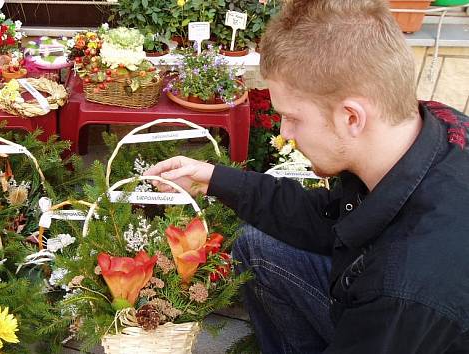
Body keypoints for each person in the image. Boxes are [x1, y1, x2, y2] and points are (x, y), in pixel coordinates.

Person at [144, 0, 469, 353]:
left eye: (293, 117)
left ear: (351, 117)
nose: (286, 132)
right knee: (257, 245)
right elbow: (327, 216)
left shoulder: (405, 287)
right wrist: (211, 179)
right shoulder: (425, 129)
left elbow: (400, 296)